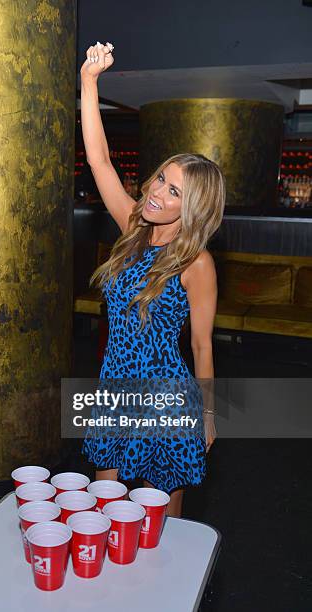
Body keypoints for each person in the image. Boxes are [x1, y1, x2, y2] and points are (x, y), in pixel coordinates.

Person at [79, 41, 226, 518]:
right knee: (104, 506)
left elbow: (202, 346)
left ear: (194, 207)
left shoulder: (196, 263)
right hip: (116, 387)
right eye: (161, 178)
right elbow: (100, 161)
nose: (158, 190)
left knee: (161, 521)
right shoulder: (133, 227)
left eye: (174, 189)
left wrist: (206, 413)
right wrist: (89, 82)